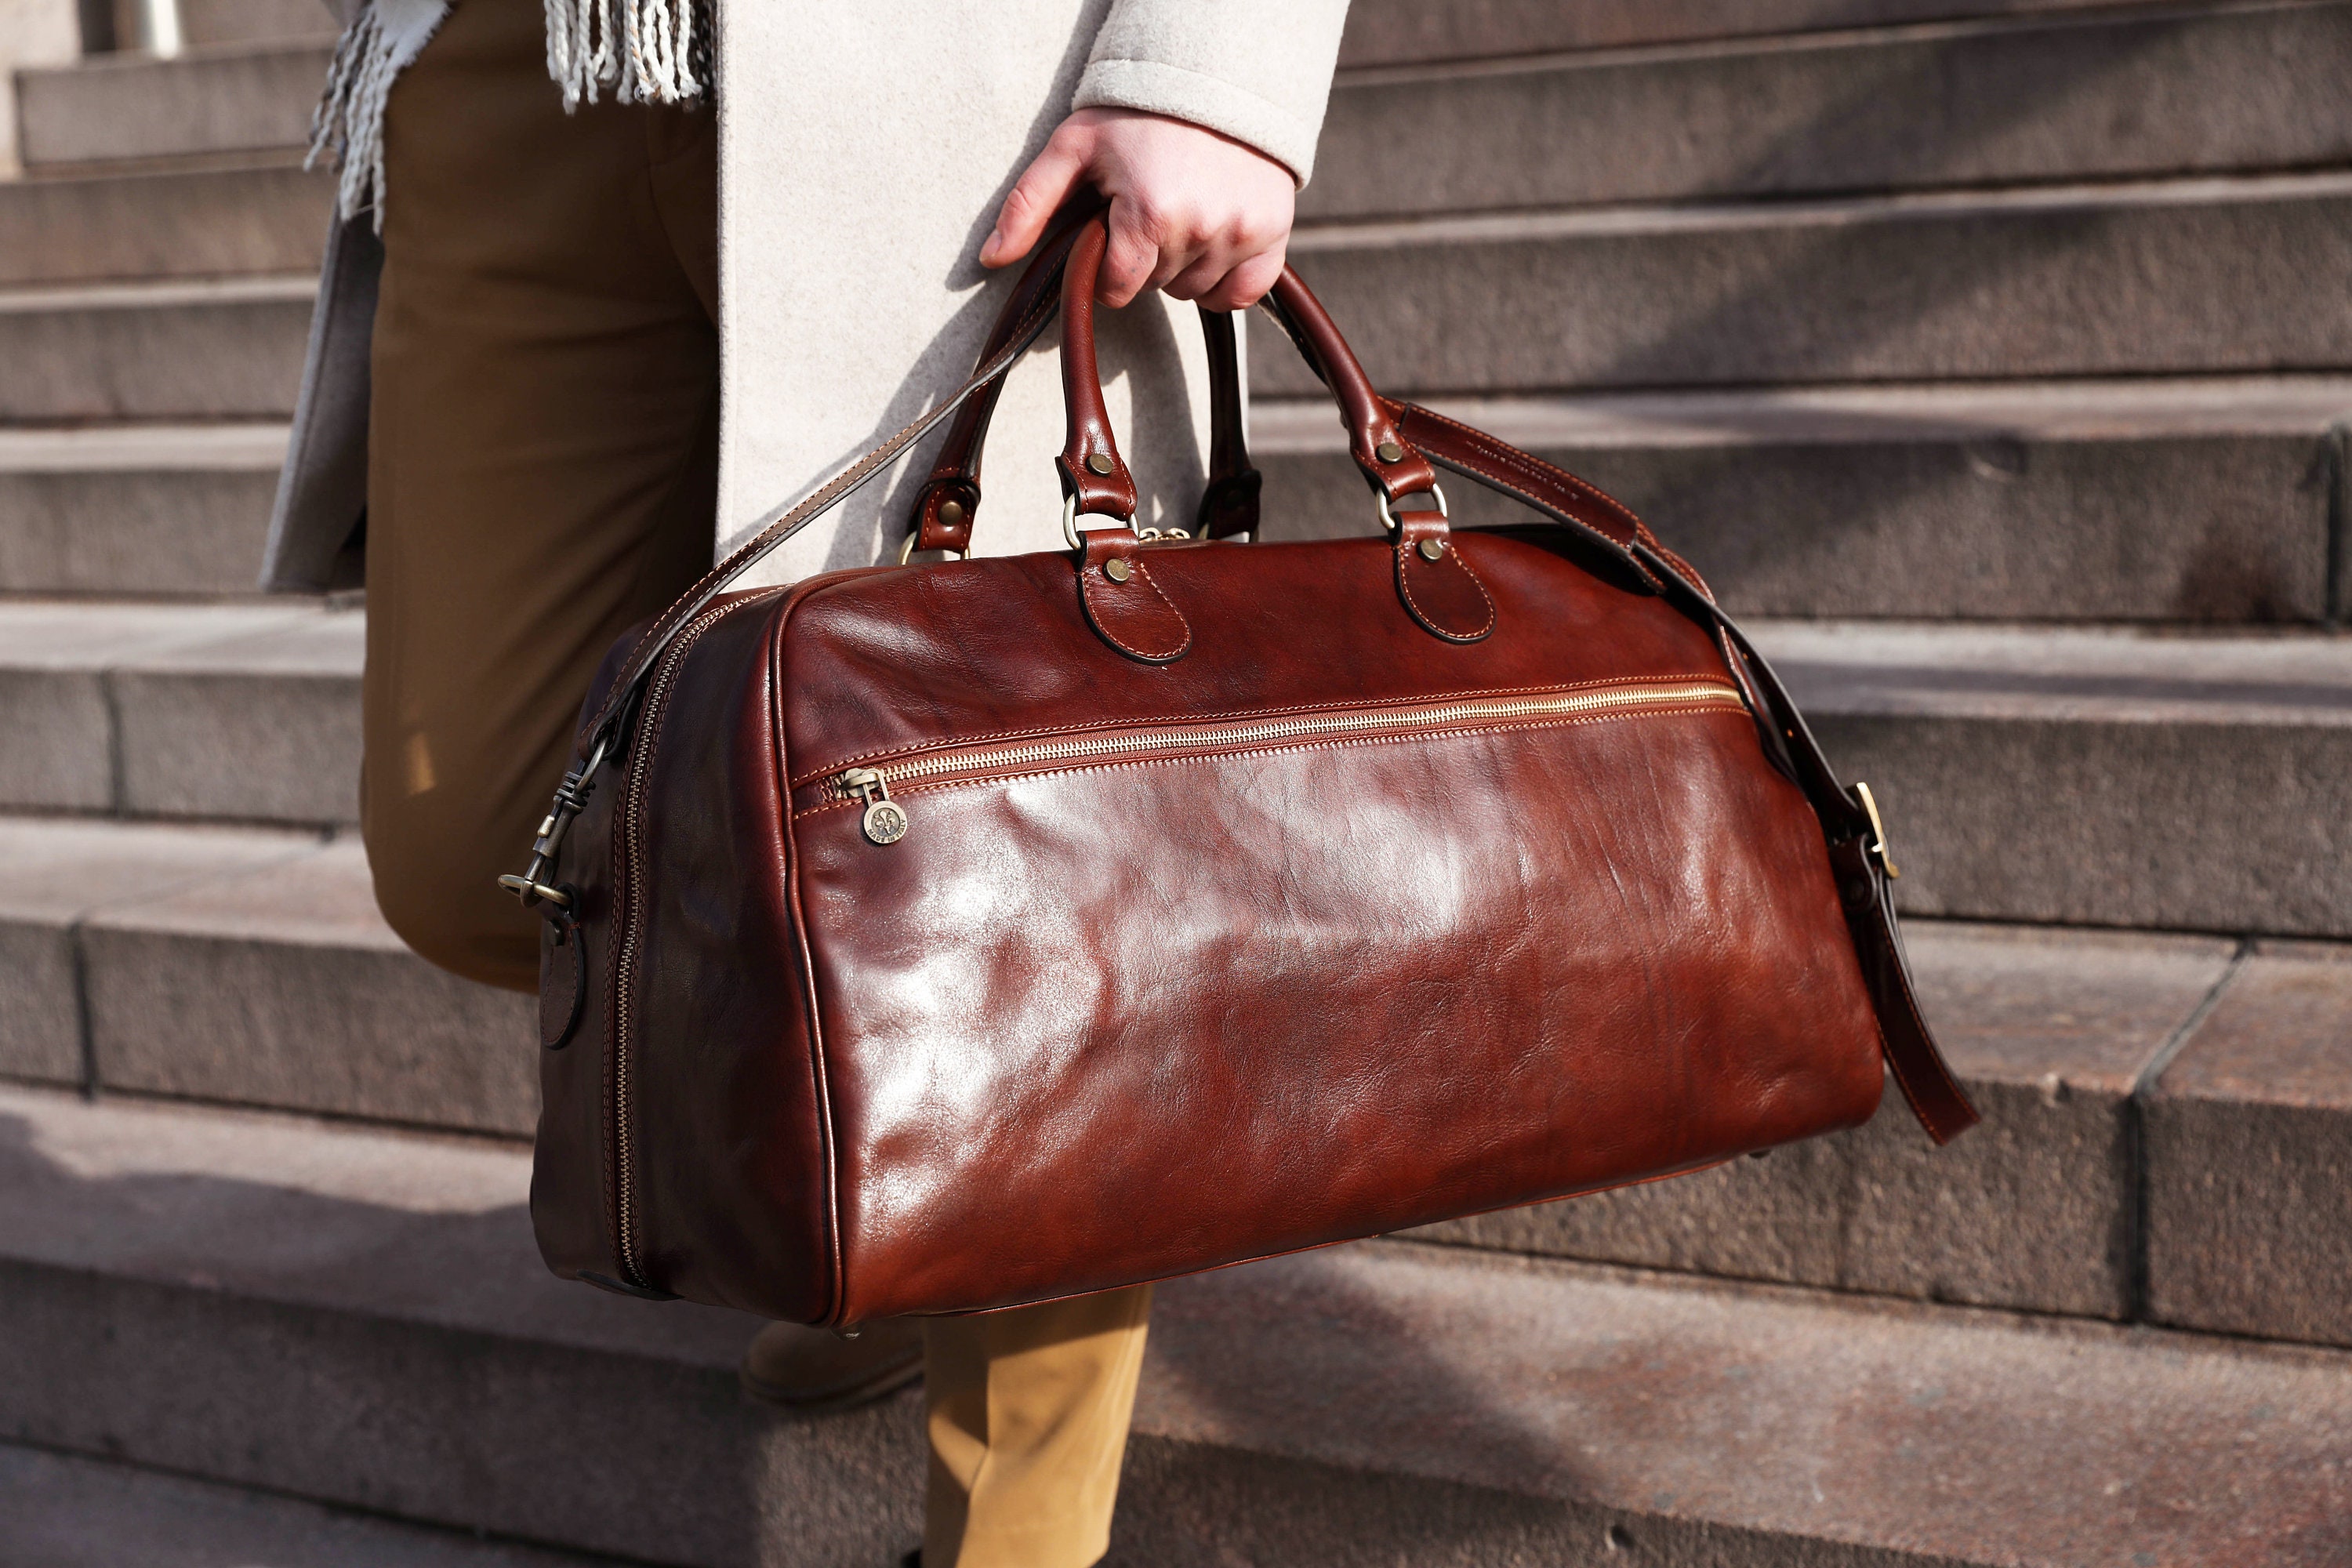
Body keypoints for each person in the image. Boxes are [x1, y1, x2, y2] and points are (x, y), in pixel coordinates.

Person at [264, 2, 1352, 1564]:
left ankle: (1017, 1528)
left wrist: (1217, 66)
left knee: (1003, 858)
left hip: (939, 77)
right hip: (515, 60)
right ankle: (875, 1204)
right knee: (477, 837)